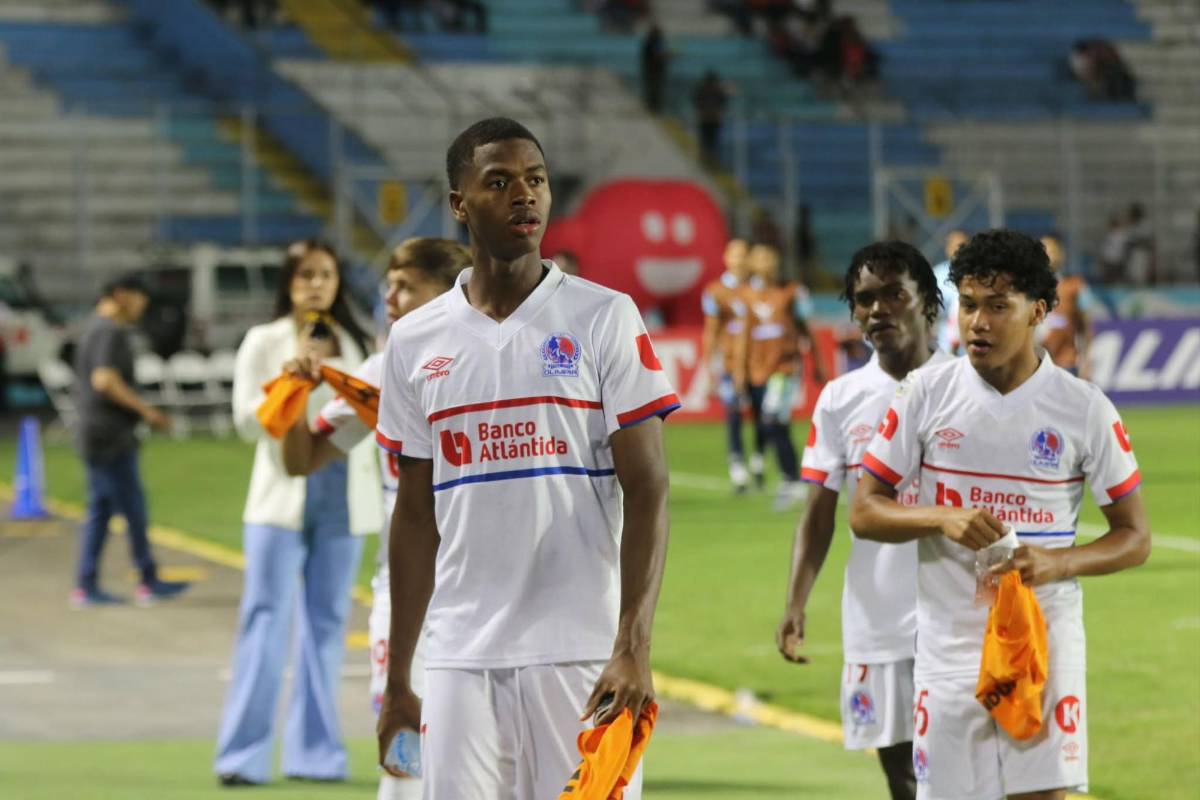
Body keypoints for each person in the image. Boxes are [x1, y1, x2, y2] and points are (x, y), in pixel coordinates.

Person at [374, 117, 677, 799]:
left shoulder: (604, 316)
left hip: (580, 649)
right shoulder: (415, 341)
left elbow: (650, 487)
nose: (525, 196)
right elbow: (415, 516)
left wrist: (633, 643)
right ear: (459, 204)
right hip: (458, 655)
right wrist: (399, 679)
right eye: (500, 182)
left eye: (535, 180)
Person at [850, 229, 1150, 800]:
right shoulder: (923, 393)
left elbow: (1135, 537)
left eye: (997, 306)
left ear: (1037, 311)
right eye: (967, 304)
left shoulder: (1084, 409)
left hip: (1042, 646)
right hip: (946, 649)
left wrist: (1059, 563)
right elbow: (864, 511)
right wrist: (941, 518)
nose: (976, 323)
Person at [279, 237, 469, 800]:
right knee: (403, 747)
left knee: (479, 749)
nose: (389, 295)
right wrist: (294, 393)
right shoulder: (381, 372)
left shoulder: (493, 360)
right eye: (388, 282)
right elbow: (303, 460)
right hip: (406, 588)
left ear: (450, 291)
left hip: (484, 587)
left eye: (406, 284)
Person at [777, 241, 950, 800]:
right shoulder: (840, 398)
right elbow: (820, 514)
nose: (878, 310)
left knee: (963, 767)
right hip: (878, 617)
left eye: (894, 294)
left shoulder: (969, 385)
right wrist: (796, 602)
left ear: (928, 302)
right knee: (901, 775)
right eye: (865, 299)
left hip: (959, 616)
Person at [214, 239, 378, 787]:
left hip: (343, 498)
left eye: (326, 275)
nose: (316, 284)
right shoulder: (263, 341)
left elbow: (371, 417)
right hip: (279, 499)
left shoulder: (356, 343)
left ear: (337, 283)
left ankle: (315, 753)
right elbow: (244, 421)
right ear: (289, 282)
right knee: (264, 620)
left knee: (327, 628)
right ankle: (243, 756)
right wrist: (289, 385)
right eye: (306, 275)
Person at [69, 274, 187, 608]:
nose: (141, 307)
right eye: (139, 299)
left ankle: (88, 583)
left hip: (98, 432)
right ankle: (145, 581)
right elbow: (104, 380)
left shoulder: (92, 326)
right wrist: (146, 411)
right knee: (131, 508)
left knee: (103, 509)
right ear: (121, 295)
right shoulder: (107, 330)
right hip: (109, 434)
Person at [742, 241, 825, 512]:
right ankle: (794, 478)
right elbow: (743, 336)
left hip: (785, 367)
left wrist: (818, 362)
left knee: (772, 418)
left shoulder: (791, 292)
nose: (768, 262)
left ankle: (791, 481)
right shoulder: (746, 296)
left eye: (771, 257)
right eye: (761, 257)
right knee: (771, 423)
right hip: (757, 369)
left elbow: (806, 329)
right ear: (752, 264)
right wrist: (740, 370)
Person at [701, 237, 752, 492]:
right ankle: (737, 464)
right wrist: (710, 366)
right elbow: (711, 331)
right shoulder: (715, 292)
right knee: (733, 412)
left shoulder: (759, 289)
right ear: (726, 258)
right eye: (735, 255)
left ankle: (758, 460)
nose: (740, 260)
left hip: (760, 362)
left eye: (744, 254)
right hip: (731, 363)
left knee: (766, 417)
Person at [1039, 232, 1094, 379]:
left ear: (1061, 255)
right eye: (1043, 251)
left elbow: (1085, 327)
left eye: (1053, 251)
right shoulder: (1025, 290)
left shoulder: (1076, 286)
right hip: (1036, 366)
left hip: (1066, 362)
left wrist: (1087, 362)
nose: (1048, 255)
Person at [931, 229, 968, 355]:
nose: (958, 251)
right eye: (954, 246)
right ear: (947, 249)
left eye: (962, 246)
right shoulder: (938, 275)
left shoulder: (978, 274)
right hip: (945, 346)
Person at [693, 69, 729, 167]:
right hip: (712, 118)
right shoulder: (717, 90)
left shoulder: (702, 89)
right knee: (711, 140)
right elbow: (723, 103)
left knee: (707, 140)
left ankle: (707, 160)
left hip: (707, 118)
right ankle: (709, 160)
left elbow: (696, 102)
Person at [640, 22, 668, 114]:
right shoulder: (654, 42)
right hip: (653, 71)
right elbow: (658, 55)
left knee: (653, 89)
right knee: (654, 90)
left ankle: (652, 108)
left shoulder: (650, 41)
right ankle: (653, 109)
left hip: (651, 70)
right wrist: (668, 56)